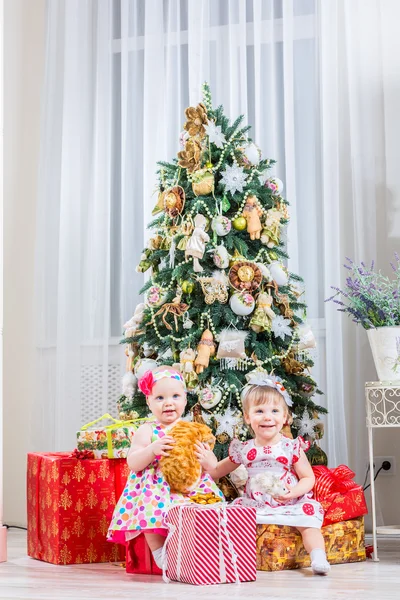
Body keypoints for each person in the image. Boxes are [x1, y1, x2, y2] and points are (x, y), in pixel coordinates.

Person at [198, 370, 330, 575]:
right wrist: (208, 462)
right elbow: (217, 471)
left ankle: (318, 556)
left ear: (285, 417)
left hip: (289, 502)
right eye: (259, 411)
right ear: (248, 417)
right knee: (230, 521)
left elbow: (307, 477)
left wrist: (293, 493)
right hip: (256, 504)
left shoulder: (291, 447)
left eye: (275, 411)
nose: (267, 417)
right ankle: (226, 559)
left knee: (308, 523)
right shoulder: (243, 448)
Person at [107, 366, 223, 568]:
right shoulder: (147, 430)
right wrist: (152, 449)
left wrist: (207, 459)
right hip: (156, 488)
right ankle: (160, 553)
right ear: (148, 402)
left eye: (175, 396)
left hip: (190, 486)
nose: (168, 403)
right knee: (150, 513)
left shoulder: (192, 429)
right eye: (160, 398)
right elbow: (133, 462)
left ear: (185, 400)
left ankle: (196, 551)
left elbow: (212, 465)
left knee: (201, 513)